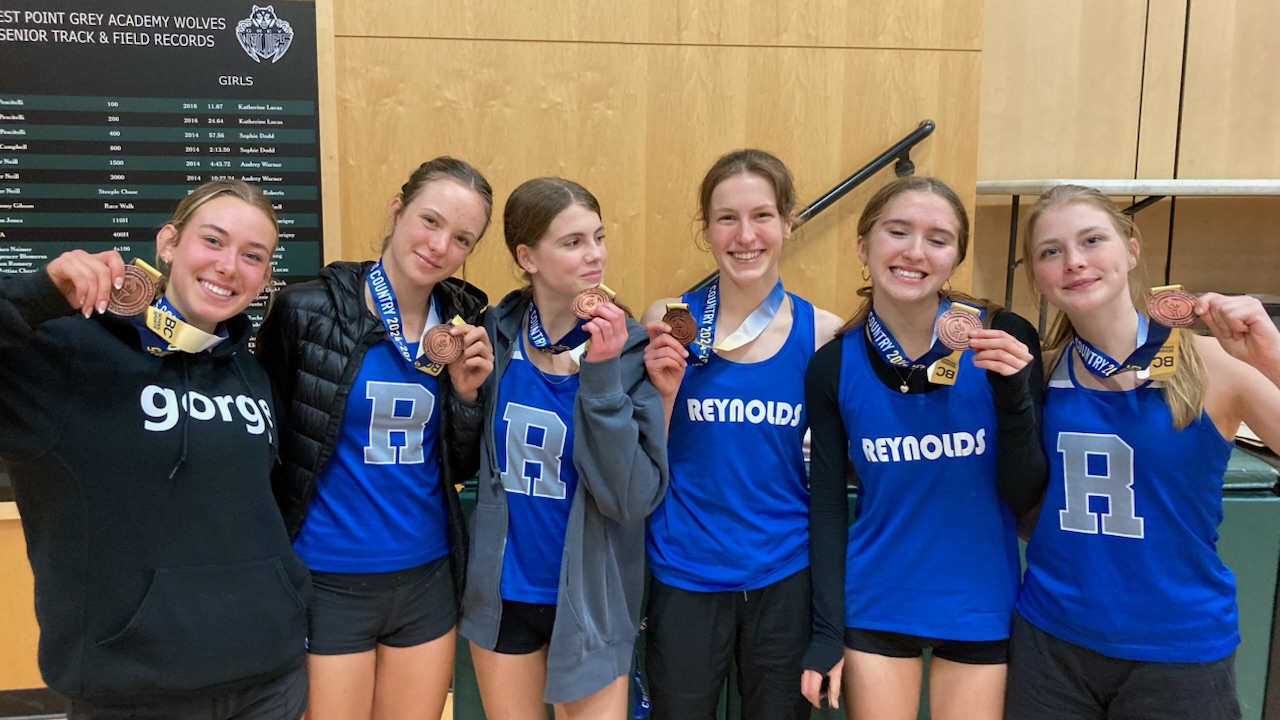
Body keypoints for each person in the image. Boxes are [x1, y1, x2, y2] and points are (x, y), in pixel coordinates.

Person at [0, 180, 310, 719]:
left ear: (265, 277)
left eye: (252, 255)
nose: (228, 266)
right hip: (135, 692)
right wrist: (36, 295)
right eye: (212, 240)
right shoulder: (67, 353)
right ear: (168, 243)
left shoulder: (250, 372)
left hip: (269, 681)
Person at [1004, 185, 1280, 720]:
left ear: (1131, 251)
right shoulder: (1039, 373)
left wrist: (1271, 358)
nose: (1074, 261)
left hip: (1179, 650)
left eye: (1092, 240)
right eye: (1051, 251)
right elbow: (1029, 506)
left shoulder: (1211, 362)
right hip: (1050, 642)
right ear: (1037, 275)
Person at [254, 157, 495, 720]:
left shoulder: (465, 323)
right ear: (396, 210)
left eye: (462, 238)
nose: (440, 246)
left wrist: (466, 399)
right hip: (326, 577)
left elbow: (459, 465)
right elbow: (265, 446)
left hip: (426, 578)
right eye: (430, 221)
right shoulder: (306, 310)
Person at [800, 176, 1047, 720]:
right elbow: (827, 508)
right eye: (897, 232)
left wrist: (1012, 399)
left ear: (955, 257)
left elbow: (1026, 493)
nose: (915, 251)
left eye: (938, 239)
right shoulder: (832, 365)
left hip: (980, 601)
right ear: (863, 246)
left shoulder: (1002, 338)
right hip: (876, 601)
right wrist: (827, 631)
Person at [641, 149, 843, 720]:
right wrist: (663, 395)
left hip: (784, 575)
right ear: (706, 229)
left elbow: (839, 474)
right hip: (684, 571)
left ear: (788, 223)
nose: (745, 235)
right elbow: (641, 455)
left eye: (762, 216)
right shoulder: (671, 320)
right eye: (727, 218)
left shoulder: (822, 334)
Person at [459, 176, 667, 719]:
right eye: (573, 242)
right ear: (526, 257)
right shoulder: (494, 334)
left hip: (591, 601)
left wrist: (601, 378)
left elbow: (631, 499)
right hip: (503, 595)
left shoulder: (630, 351)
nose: (595, 254)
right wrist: (464, 397)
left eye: (598, 237)